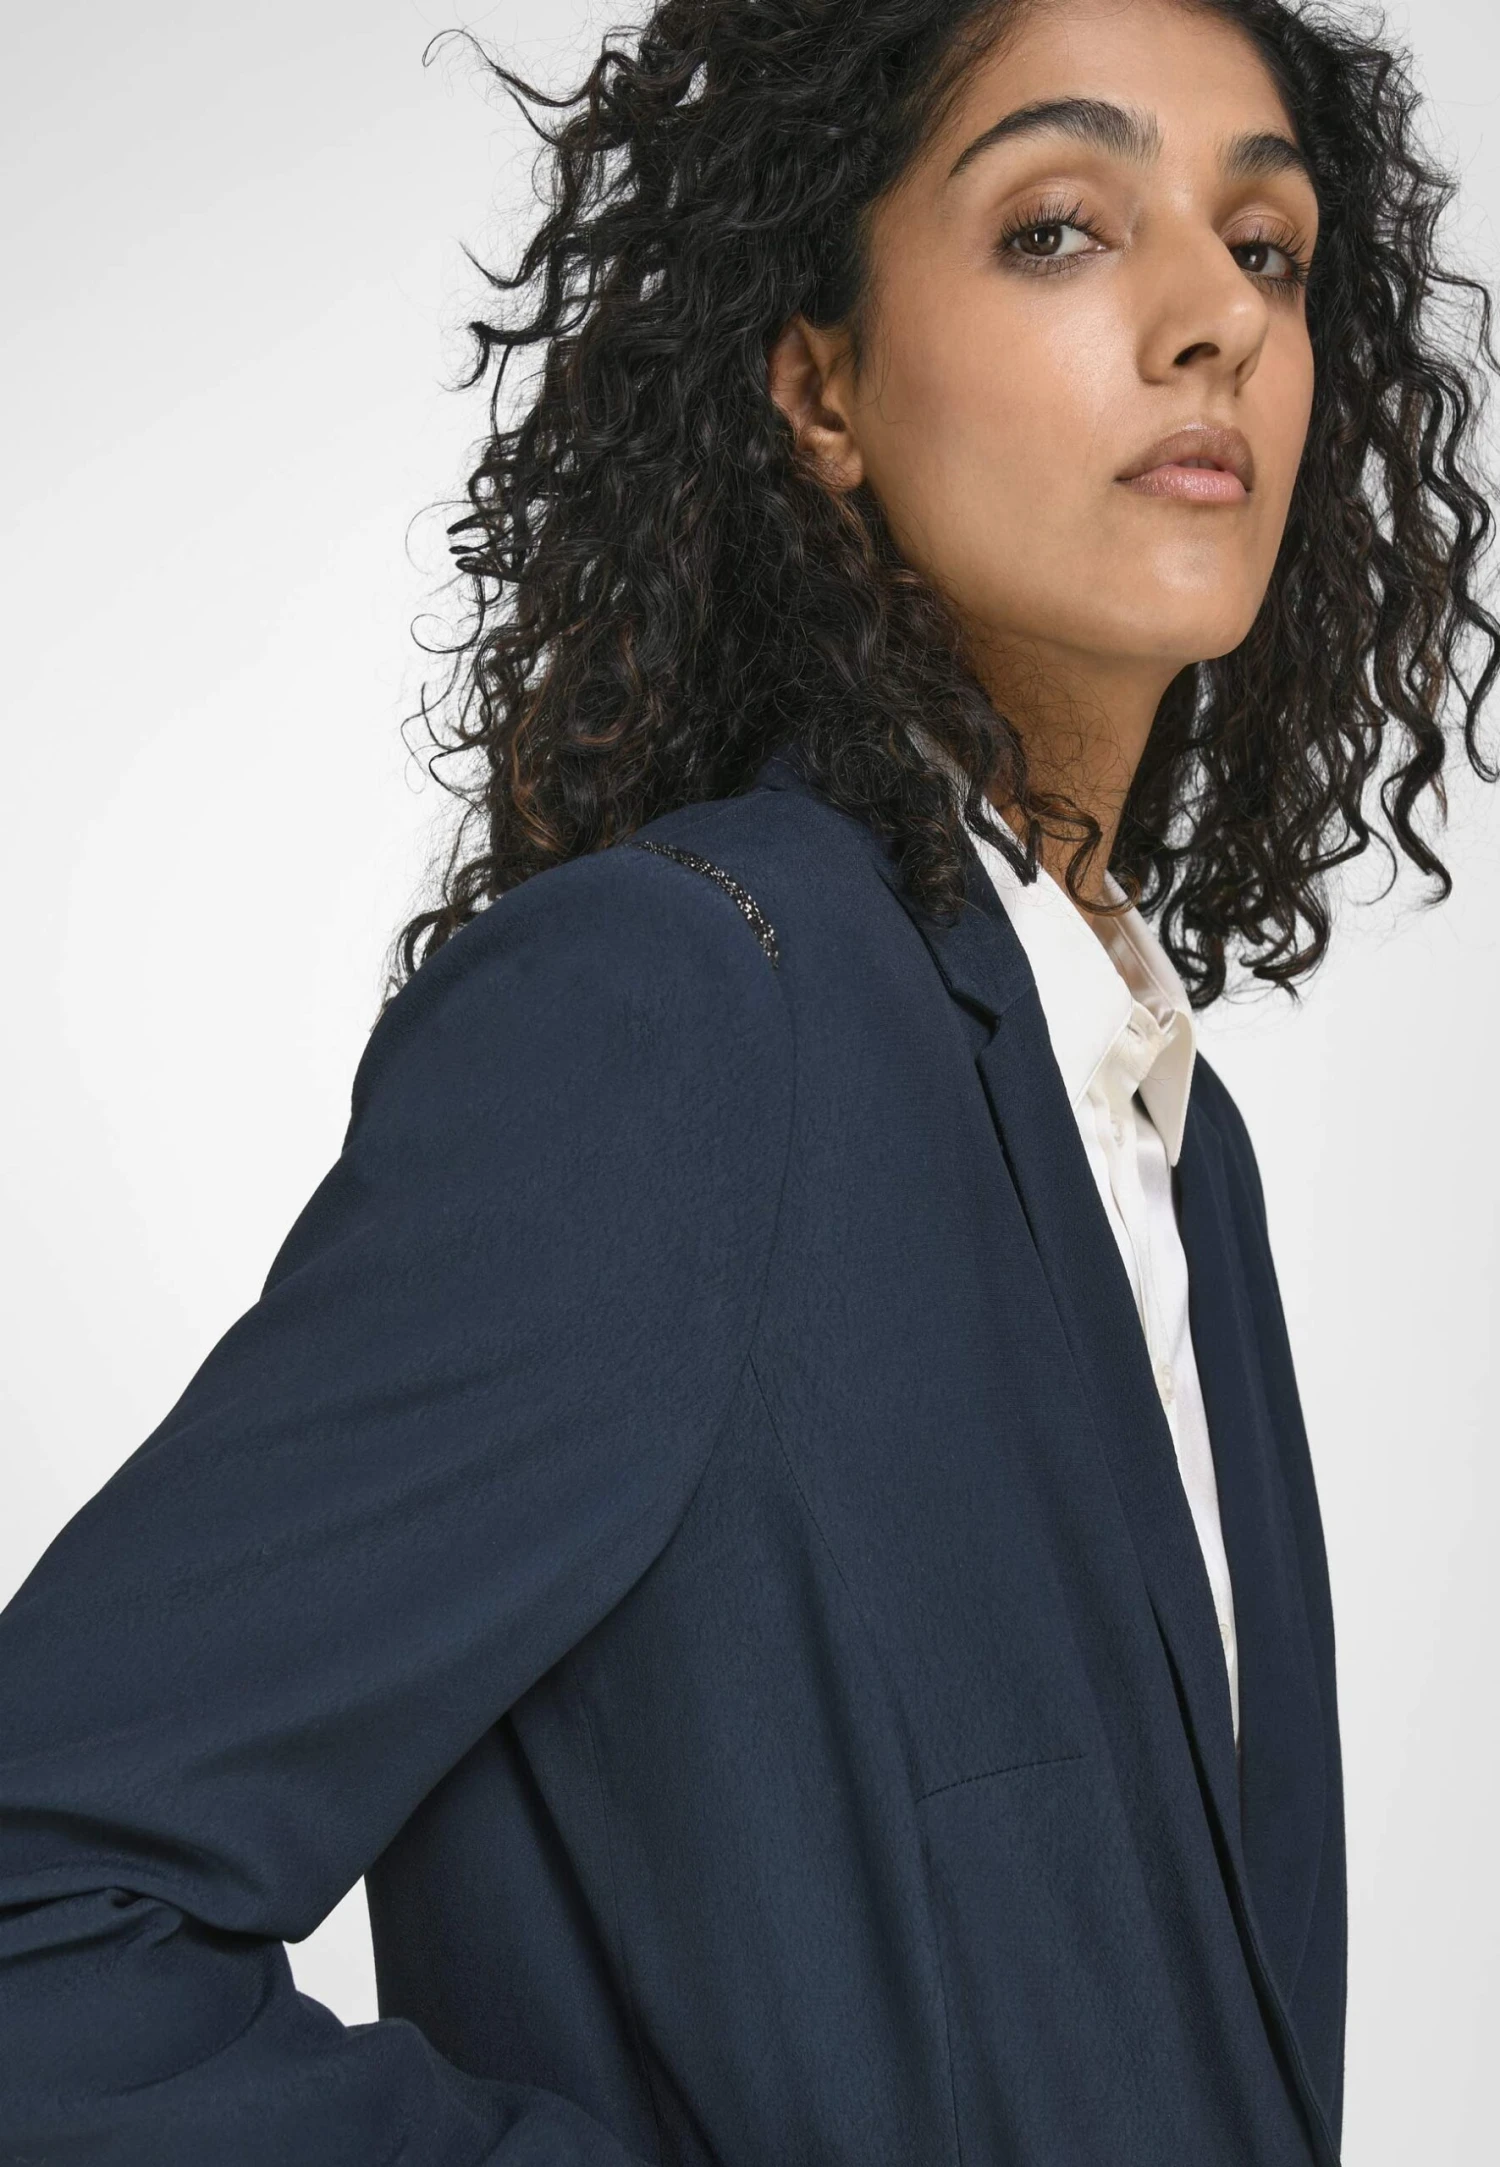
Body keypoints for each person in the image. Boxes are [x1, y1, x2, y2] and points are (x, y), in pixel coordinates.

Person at [1, 1, 1496, 2162]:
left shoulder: (1179, 1148)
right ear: (819, 390)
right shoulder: (685, 1006)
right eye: (1061, 227)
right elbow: (40, 1907)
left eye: (1266, 247)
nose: (1216, 321)